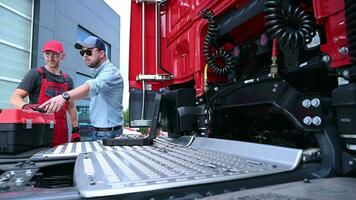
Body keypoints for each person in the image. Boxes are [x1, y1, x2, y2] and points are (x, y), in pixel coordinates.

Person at [39, 36, 124, 140]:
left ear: (101, 53)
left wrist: (64, 96)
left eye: (89, 52)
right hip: (99, 132)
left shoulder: (110, 72)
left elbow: (90, 87)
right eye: (82, 53)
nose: (84, 56)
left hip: (109, 134)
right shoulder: (98, 72)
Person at [10, 40, 80, 146]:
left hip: (61, 132)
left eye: (54, 54)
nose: (50, 58)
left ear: (62, 56)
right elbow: (15, 98)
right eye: (47, 54)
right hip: (39, 132)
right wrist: (27, 107)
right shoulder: (36, 74)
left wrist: (75, 130)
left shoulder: (67, 80)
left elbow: (71, 107)